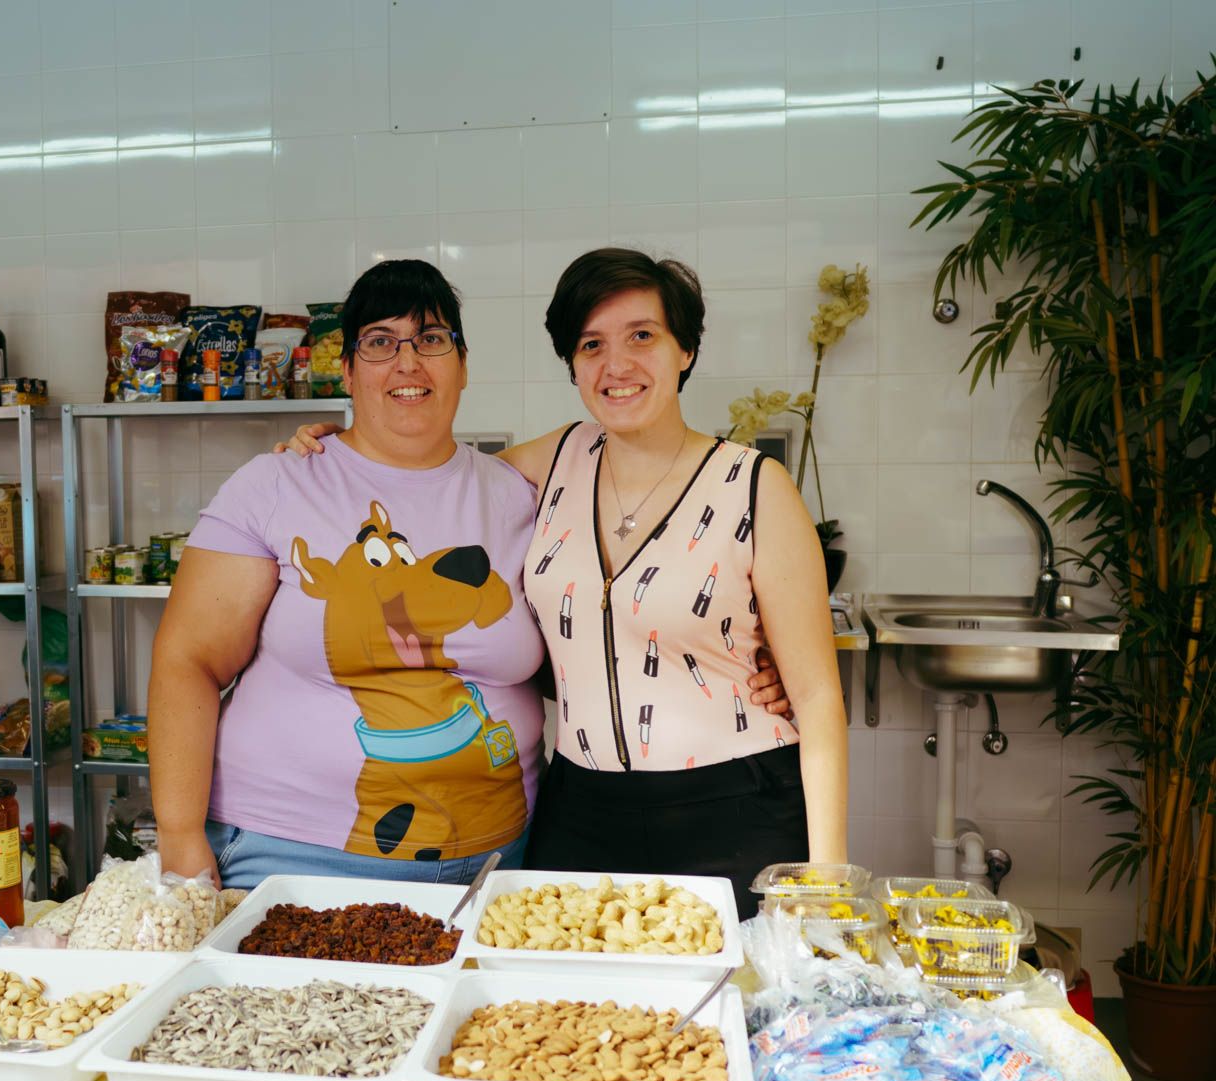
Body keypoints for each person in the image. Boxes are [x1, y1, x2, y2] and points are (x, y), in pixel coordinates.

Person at [280, 249, 845, 917]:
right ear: (573, 365)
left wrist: (828, 881)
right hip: (579, 811)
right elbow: (427, 480)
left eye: (642, 336)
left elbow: (817, 698)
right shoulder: (556, 459)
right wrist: (337, 452)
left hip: (734, 808)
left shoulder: (754, 485)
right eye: (591, 344)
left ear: (685, 349)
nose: (616, 365)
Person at [148, 260, 546, 888]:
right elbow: (188, 660)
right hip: (292, 856)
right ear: (349, 370)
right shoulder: (277, 483)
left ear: (463, 365)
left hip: (498, 863)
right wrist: (179, 838)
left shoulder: (518, 494)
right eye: (380, 342)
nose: (408, 362)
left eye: (431, 339)